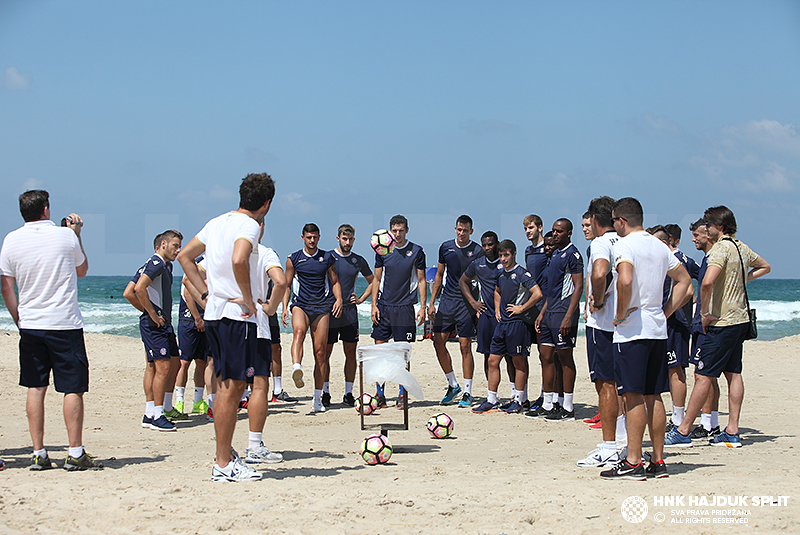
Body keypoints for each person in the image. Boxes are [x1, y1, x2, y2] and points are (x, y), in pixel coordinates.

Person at [178, 172, 275, 482]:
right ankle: (222, 463)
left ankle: (225, 455)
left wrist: (206, 295)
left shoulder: (217, 221)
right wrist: (248, 299)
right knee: (233, 390)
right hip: (235, 318)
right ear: (267, 204)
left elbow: (184, 256)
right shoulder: (248, 225)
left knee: (224, 387)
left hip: (216, 316)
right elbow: (238, 259)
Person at [0, 190, 102, 470]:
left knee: (36, 386)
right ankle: (75, 451)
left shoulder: (11, 239)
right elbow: (82, 270)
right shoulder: (65, 236)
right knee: (72, 387)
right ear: (46, 210)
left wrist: (18, 316)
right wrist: (77, 233)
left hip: (31, 323)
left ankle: (38, 452)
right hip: (64, 323)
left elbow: (6, 285)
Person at [600, 197, 692, 481]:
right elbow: (686, 283)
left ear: (621, 221)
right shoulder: (660, 245)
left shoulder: (625, 245)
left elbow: (625, 280)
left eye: (615, 222)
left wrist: (620, 312)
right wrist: (664, 311)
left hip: (633, 330)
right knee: (654, 394)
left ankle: (633, 460)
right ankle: (658, 459)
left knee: (632, 394)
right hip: (656, 328)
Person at [665, 206, 770, 449]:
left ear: (719, 227)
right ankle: (732, 430)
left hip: (721, 322)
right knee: (733, 373)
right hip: (740, 319)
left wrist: (705, 312)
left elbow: (708, 281)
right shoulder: (740, 247)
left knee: (703, 374)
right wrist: (743, 279)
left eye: (709, 225)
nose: (707, 229)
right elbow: (765, 266)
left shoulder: (720, 249)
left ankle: (683, 430)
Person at [576, 196, 624, 467]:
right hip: (627, 323)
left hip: (603, 323)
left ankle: (608, 446)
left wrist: (599, 297)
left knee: (604, 384)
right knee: (625, 386)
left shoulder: (600, 242)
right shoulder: (626, 240)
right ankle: (624, 439)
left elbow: (599, 273)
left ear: (595, 220)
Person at [472, 240, 542, 414]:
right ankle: (492, 399)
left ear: (514, 254)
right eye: (501, 256)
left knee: (518, 362)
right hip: (502, 324)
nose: (503, 259)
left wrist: (522, 308)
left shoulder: (521, 274)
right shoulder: (501, 274)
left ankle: (520, 400)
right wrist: (497, 308)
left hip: (518, 324)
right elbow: (497, 291)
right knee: (492, 360)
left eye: (506, 255)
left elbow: (538, 293)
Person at [281, 223, 343, 412]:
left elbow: (334, 281)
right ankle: (296, 367)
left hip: (322, 307)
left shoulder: (327, 258)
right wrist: (284, 307)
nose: (312, 240)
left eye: (315, 237)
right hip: (301, 304)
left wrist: (339, 298)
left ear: (319, 237)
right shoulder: (294, 259)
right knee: (299, 332)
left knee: (320, 353)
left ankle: (317, 398)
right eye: (308, 237)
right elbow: (287, 284)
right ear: (302, 238)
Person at [370, 215, 427, 407]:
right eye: (394, 231)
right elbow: (376, 280)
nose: (398, 234)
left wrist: (422, 307)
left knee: (402, 354)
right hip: (384, 307)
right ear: (389, 231)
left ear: (407, 230)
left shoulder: (417, 251)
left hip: (405, 308)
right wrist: (374, 305)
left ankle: (402, 394)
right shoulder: (382, 250)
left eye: (401, 230)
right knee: (380, 352)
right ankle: (380, 394)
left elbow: (421, 280)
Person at [428, 215, 483, 407]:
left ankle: (467, 392)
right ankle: (453, 385)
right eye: (459, 229)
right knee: (438, 342)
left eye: (465, 230)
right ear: (455, 229)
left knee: (465, 347)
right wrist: (432, 302)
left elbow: (482, 278)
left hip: (467, 303)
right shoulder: (446, 247)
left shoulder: (477, 250)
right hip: (447, 302)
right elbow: (439, 275)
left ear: (471, 231)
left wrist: (479, 304)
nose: (461, 233)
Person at [244, 221, 287, 464]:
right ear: (261, 228)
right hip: (254, 323)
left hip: (224, 322)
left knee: (230, 386)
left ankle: (224, 451)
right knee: (260, 385)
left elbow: (192, 275)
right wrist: (270, 307)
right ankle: (253, 445)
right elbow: (280, 282)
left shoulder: (225, 249)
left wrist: (208, 301)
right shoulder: (264, 252)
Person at [133, 230, 184, 431]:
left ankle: (150, 412)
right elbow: (137, 289)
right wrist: (152, 314)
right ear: (163, 244)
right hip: (155, 325)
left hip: (163, 324)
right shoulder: (156, 264)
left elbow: (128, 292)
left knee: (168, 364)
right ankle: (158, 415)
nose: (178, 250)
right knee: (162, 368)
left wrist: (150, 311)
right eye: (175, 246)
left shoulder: (162, 265)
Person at [535, 219, 584, 421]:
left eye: (559, 231)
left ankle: (568, 407)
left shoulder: (573, 254)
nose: (555, 234)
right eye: (554, 231)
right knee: (546, 356)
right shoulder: (555, 254)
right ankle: (549, 403)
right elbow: (551, 290)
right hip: (550, 312)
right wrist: (541, 313)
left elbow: (578, 286)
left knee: (565, 358)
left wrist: (568, 317)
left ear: (569, 233)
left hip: (564, 313)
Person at [323, 224, 373, 407]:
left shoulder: (358, 260)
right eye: (344, 239)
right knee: (325, 353)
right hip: (329, 311)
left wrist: (361, 299)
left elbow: (374, 282)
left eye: (351, 239)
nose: (348, 242)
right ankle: (326, 392)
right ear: (338, 239)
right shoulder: (328, 257)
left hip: (350, 312)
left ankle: (348, 393)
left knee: (350, 353)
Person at [459, 232, 511, 400]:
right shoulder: (477, 264)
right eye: (484, 245)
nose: (488, 248)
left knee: (511, 358)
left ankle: (515, 395)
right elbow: (462, 281)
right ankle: (492, 397)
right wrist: (474, 303)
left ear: (497, 244)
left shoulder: (505, 262)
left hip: (506, 317)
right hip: (487, 317)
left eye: (490, 244)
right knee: (488, 357)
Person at [685, 219, 721, 439]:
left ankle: (708, 424)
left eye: (697, 235)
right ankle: (710, 422)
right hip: (701, 321)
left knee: (704, 374)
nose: (694, 239)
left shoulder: (715, 257)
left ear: (708, 235)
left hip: (706, 324)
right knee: (708, 375)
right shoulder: (706, 259)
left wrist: (706, 309)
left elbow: (712, 284)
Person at [175, 258, 210, 416]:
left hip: (206, 318)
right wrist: (197, 318)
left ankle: (197, 400)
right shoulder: (198, 265)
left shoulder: (212, 264)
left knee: (202, 362)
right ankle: (179, 401)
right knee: (184, 362)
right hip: (189, 319)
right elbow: (188, 293)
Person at [523, 214, 547, 410]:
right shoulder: (528, 251)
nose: (528, 231)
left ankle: (546, 395)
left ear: (540, 227)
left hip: (546, 306)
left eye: (531, 227)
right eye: (525, 228)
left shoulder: (547, 249)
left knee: (546, 355)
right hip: (531, 306)